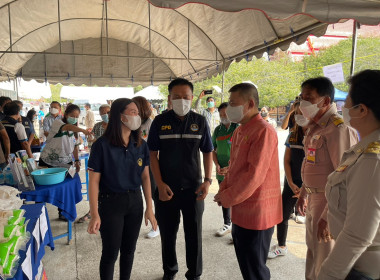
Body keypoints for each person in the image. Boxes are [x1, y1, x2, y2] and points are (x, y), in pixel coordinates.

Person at [213, 83, 282, 280]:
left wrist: (228, 196)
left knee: (255, 268)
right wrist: (224, 190)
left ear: (250, 103)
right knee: (245, 263)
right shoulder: (240, 130)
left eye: (233, 103)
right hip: (241, 208)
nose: (228, 109)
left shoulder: (264, 131)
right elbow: (234, 167)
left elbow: (255, 175)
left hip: (258, 213)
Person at [317, 70, 380, 280]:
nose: (343, 108)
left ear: (361, 110)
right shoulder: (364, 149)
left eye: (347, 103)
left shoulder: (372, 160)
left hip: (361, 268)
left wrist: (327, 275)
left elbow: (358, 234)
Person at [148, 78, 213, 280]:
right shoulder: (160, 122)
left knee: (194, 234)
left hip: (194, 189)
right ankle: (170, 271)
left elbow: (208, 151)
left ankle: (194, 274)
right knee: (168, 234)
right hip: (167, 189)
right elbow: (152, 155)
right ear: (169, 98)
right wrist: (159, 183)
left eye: (186, 97)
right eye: (177, 97)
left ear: (192, 98)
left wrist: (208, 180)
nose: (181, 100)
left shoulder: (200, 121)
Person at [295, 77, 358, 280]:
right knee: (313, 253)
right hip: (314, 199)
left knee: (326, 259)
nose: (303, 103)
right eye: (302, 98)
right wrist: (303, 194)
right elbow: (311, 165)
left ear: (325, 101)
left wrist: (329, 217)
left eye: (309, 98)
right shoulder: (315, 128)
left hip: (329, 202)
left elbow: (345, 177)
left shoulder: (338, 130)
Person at [87, 98, 157, 280]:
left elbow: (145, 177)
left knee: (129, 250)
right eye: (133, 112)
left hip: (134, 201)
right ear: (120, 115)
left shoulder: (140, 144)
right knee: (110, 253)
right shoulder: (101, 145)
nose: (138, 116)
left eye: (138, 113)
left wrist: (149, 207)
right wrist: (94, 213)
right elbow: (93, 182)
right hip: (111, 203)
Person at [39, 104, 91, 220]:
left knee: (66, 187)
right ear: (66, 114)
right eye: (72, 116)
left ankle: (63, 211)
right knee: (42, 188)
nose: (74, 118)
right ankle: (39, 213)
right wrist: (83, 130)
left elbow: (75, 146)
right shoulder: (59, 123)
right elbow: (67, 127)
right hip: (48, 161)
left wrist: (76, 161)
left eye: (77, 117)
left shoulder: (74, 130)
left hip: (65, 162)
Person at [268, 100, 306, 259]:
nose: (299, 117)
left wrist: (306, 189)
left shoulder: (318, 135)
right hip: (292, 181)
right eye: (297, 114)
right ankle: (282, 245)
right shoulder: (293, 135)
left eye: (302, 113)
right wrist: (290, 182)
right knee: (282, 214)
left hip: (309, 185)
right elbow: (286, 161)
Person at [132, 96, 160, 239]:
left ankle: (157, 224)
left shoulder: (150, 123)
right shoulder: (132, 124)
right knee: (141, 193)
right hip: (134, 163)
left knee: (154, 194)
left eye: (135, 107)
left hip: (149, 164)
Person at [211, 102, 239, 238]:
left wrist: (232, 167)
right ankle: (227, 224)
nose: (223, 117)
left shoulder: (238, 128)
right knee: (224, 196)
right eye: (221, 114)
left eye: (226, 114)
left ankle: (237, 228)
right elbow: (212, 150)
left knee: (237, 198)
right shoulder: (218, 130)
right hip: (221, 171)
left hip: (235, 171)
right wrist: (216, 164)